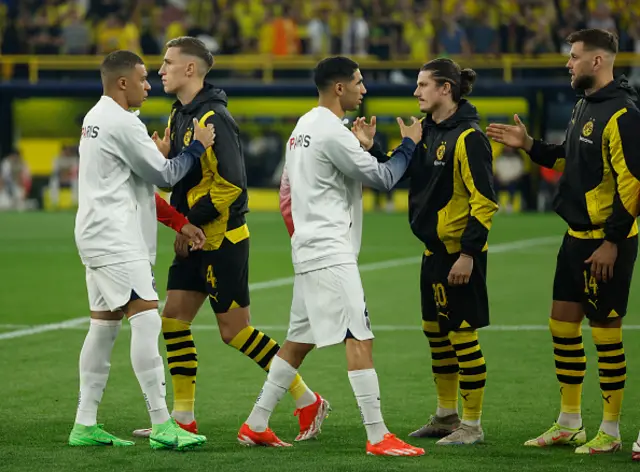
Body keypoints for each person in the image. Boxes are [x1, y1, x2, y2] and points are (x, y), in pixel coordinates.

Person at [132, 36, 327, 440]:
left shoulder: (214, 117)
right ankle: (182, 418)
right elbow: (189, 174)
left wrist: (191, 224)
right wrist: (166, 157)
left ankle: (307, 398)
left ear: (190, 69)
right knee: (173, 321)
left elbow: (232, 186)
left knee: (234, 331)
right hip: (194, 236)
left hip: (221, 238)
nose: (160, 70)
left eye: (167, 63)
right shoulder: (178, 113)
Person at [237, 56, 425, 457]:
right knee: (359, 335)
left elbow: (297, 190)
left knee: (297, 343)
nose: (364, 89)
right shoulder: (330, 132)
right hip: (329, 249)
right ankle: (377, 436)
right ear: (339, 87)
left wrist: (361, 148)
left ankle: (255, 423)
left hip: (308, 246)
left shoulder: (303, 127)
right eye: (358, 82)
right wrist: (409, 143)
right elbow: (384, 178)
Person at [487, 29, 640, 455]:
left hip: (607, 243)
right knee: (561, 326)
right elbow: (566, 158)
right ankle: (570, 422)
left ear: (597, 62)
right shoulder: (582, 106)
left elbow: (634, 185)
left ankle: (610, 430)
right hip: (575, 239)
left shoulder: (624, 115)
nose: (568, 64)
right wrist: (530, 146)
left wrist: (611, 242)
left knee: (606, 332)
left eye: (574, 57)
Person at [69, 50, 214, 451]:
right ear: (121, 83)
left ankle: (84, 423)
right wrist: (197, 147)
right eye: (142, 78)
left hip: (96, 233)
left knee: (103, 327)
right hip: (117, 237)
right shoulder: (122, 122)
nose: (149, 84)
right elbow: (165, 176)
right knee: (147, 321)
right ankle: (162, 423)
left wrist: (160, 157)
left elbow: (138, 178)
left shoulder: (95, 118)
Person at [368, 58, 498, 445]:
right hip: (433, 254)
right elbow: (397, 171)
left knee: (462, 336)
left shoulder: (469, 138)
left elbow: (485, 201)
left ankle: (472, 426)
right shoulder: (426, 133)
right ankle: (446, 415)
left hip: (460, 255)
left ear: (446, 89)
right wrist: (370, 148)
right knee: (436, 333)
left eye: (423, 84)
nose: (416, 91)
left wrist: (469, 254)